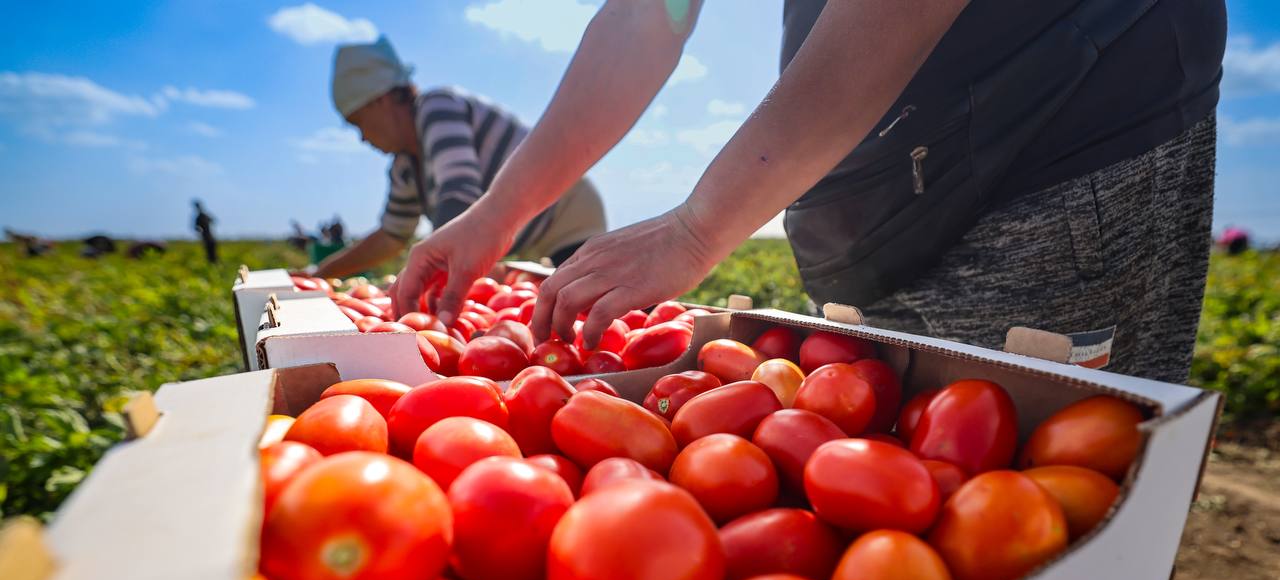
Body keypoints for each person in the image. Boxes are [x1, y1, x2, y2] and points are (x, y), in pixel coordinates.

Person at [392, 0, 1226, 383]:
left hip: (1064, 134)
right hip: (888, 161)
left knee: (1051, 507)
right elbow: (651, 13)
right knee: (918, 492)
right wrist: (498, 214)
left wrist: (696, 228)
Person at [311, 36, 607, 283]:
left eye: (358, 123)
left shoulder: (436, 108)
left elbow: (459, 192)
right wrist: (320, 274)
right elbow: (391, 235)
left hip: (566, 213)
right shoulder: (405, 168)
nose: (363, 137)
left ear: (380, 100)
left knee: (590, 299)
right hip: (531, 236)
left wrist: (426, 276)